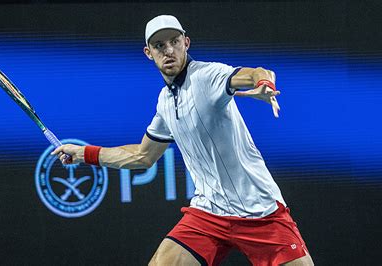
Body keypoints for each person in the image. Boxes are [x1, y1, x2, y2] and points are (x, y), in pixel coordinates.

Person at [52, 15, 314, 266]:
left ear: (186, 43)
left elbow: (256, 72)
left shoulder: (208, 76)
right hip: (209, 212)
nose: (168, 51)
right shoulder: (165, 102)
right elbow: (143, 156)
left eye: (174, 42)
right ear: (148, 53)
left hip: (260, 211)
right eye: (159, 46)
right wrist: (83, 153)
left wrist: (264, 83)